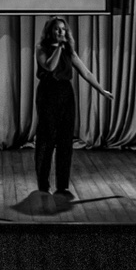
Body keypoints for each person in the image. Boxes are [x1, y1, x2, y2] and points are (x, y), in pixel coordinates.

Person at [33, 16, 112, 196]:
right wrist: (59, 47)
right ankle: (43, 184)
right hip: (47, 94)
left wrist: (101, 90)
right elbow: (50, 67)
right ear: (50, 31)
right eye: (57, 29)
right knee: (46, 139)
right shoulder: (41, 48)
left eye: (63, 29)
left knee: (65, 140)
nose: (61, 32)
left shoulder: (69, 51)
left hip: (65, 94)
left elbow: (86, 72)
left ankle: (62, 185)